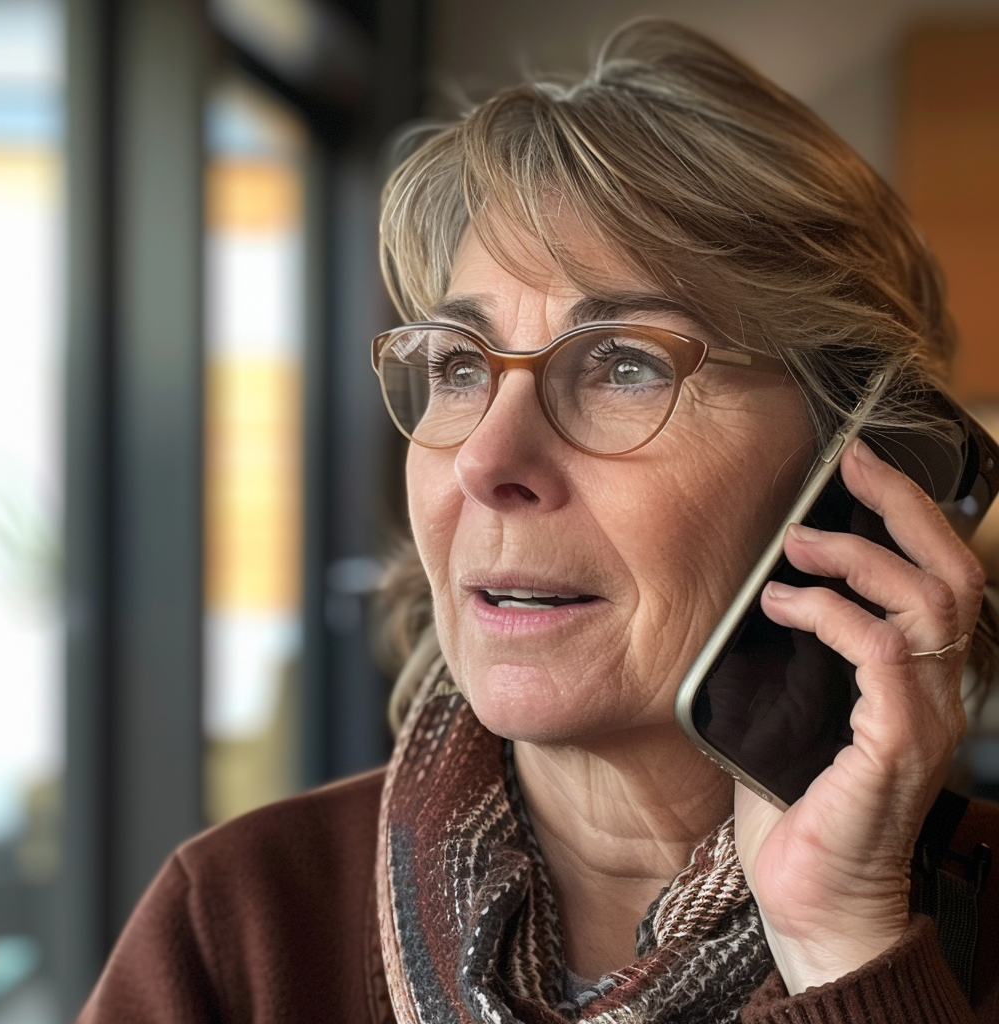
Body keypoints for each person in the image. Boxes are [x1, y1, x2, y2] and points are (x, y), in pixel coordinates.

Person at [77, 20, 999, 1024]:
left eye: (623, 363)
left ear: (858, 467)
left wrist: (844, 946)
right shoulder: (243, 927)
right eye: (458, 366)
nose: (484, 460)